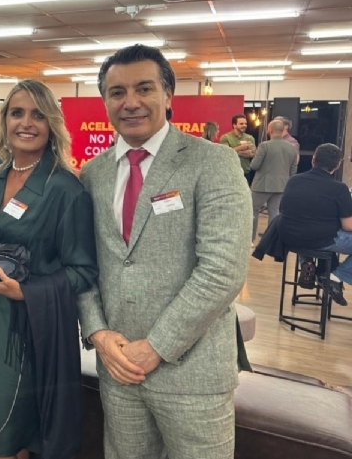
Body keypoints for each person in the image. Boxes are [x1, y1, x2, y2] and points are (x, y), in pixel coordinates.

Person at [78, 44, 252, 459]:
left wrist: (156, 346)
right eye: (117, 92)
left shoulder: (212, 162)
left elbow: (222, 270)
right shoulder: (93, 173)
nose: (130, 102)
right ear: (105, 101)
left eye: (144, 88)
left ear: (168, 94)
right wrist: (98, 333)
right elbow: (83, 263)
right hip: (118, 368)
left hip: (193, 372)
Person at [0, 79, 98, 459]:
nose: (26, 123)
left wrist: (27, 291)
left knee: (3, 442)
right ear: (3, 121)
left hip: (29, 330)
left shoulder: (65, 190)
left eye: (38, 115)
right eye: (17, 113)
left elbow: (84, 270)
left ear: (52, 124)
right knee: (1, 436)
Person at [279, 143, 351, 306]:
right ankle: (335, 277)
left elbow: (283, 209)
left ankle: (307, 262)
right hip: (319, 239)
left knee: (311, 226)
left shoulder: (293, 181)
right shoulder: (339, 188)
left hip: (290, 237)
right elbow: (348, 226)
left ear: (313, 159)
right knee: (323, 233)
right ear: (337, 165)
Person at [250, 119, 298, 243]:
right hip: (281, 185)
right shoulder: (292, 147)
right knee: (274, 213)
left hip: (262, 185)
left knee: (253, 211)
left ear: (270, 130)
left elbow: (254, 165)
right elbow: (293, 169)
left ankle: (250, 240)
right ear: (282, 130)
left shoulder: (264, 145)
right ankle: (270, 241)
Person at [219, 114, 256, 183]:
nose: (244, 125)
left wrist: (237, 152)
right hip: (230, 172)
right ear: (234, 125)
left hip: (245, 173)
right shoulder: (225, 137)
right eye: (241, 124)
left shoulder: (250, 138)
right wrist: (241, 148)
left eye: (245, 124)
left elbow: (253, 154)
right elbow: (225, 153)